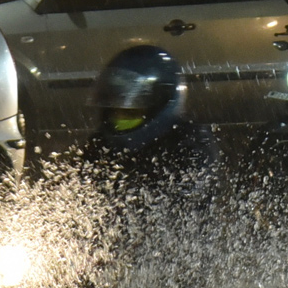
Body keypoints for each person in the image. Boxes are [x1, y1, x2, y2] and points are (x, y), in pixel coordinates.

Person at [80, 44, 218, 197]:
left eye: (131, 111)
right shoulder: (101, 144)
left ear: (161, 102)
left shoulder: (189, 144)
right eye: (115, 108)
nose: (119, 116)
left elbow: (187, 204)